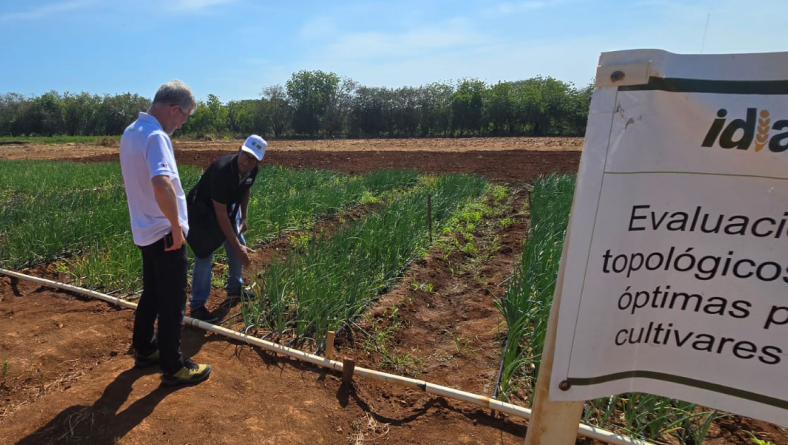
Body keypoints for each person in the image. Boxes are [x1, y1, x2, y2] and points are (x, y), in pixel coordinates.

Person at [118, 79, 211, 386]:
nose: (181, 124)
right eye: (183, 117)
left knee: (153, 293)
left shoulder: (131, 132)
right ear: (174, 109)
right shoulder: (157, 136)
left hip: (145, 231)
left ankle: (145, 348)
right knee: (172, 301)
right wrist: (176, 227)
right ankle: (173, 366)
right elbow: (161, 184)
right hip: (164, 232)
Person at [186, 135, 266, 322]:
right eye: (246, 155)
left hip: (224, 210)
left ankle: (234, 288)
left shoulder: (252, 170)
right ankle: (197, 305)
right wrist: (237, 248)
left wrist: (244, 216)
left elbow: (246, 189)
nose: (248, 161)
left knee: (239, 242)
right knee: (205, 254)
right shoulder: (222, 170)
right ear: (240, 149)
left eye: (254, 159)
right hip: (202, 212)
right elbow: (220, 215)